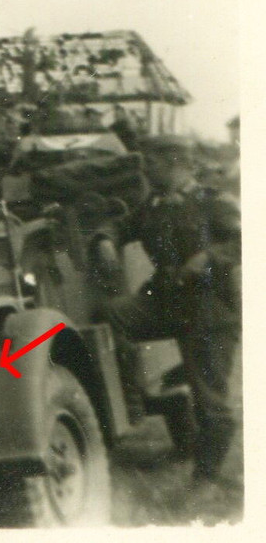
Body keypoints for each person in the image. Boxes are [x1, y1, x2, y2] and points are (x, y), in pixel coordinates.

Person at [103, 135, 241, 493]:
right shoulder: (153, 204)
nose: (146, 171)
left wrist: (209, 257)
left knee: (210, 398)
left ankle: (206, 478)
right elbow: (121, 226)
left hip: (210, 307)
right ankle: (147, 400)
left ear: (178, 164)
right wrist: (104, 239)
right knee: (115, 315)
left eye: (153, 164)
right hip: (164, 300)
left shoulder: (214, 202)